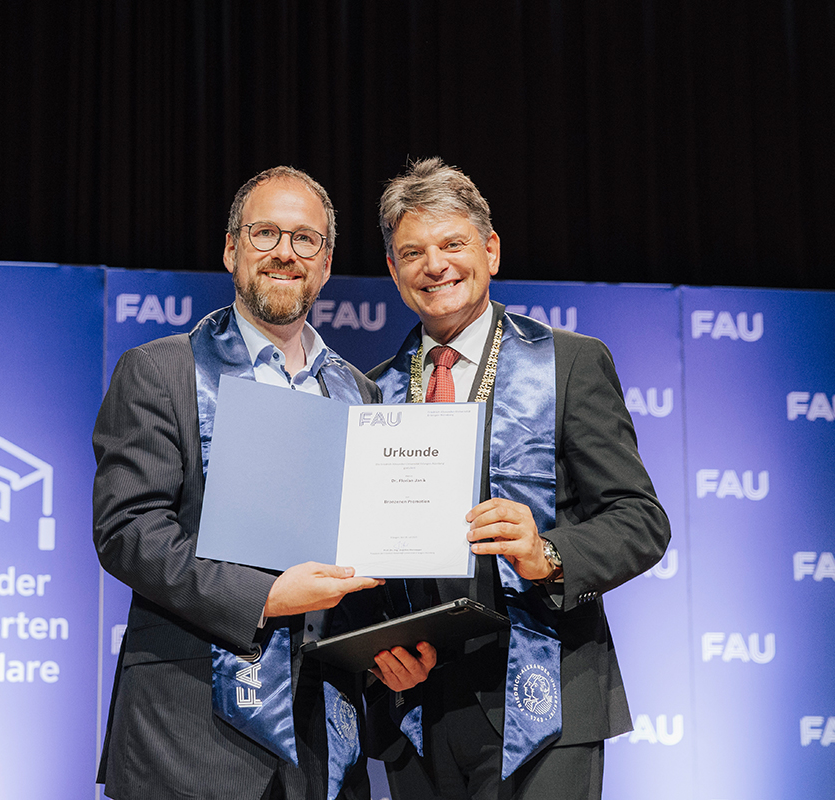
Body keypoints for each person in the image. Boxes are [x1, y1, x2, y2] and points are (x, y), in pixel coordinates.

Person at [364, 158, 670, 800]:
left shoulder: (570, 363)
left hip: (550, 691)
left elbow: (640, 520)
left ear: (491, 250)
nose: (435, 265)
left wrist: (547, 553)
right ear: (393, 272)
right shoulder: (372, 394)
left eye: (453, 244)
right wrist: (377, 649)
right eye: (412, 252)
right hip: (420, 706)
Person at [93, 166, 383, 800]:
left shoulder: (360, 393)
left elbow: (366, 550)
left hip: (323, 739)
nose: (285, 252)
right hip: (188, 739)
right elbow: (129, 533)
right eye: (265, 233)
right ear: (231, 250)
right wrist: (267, 596)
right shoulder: (161, 372)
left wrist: (390, 639)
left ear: (327, 264)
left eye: (305, 239)